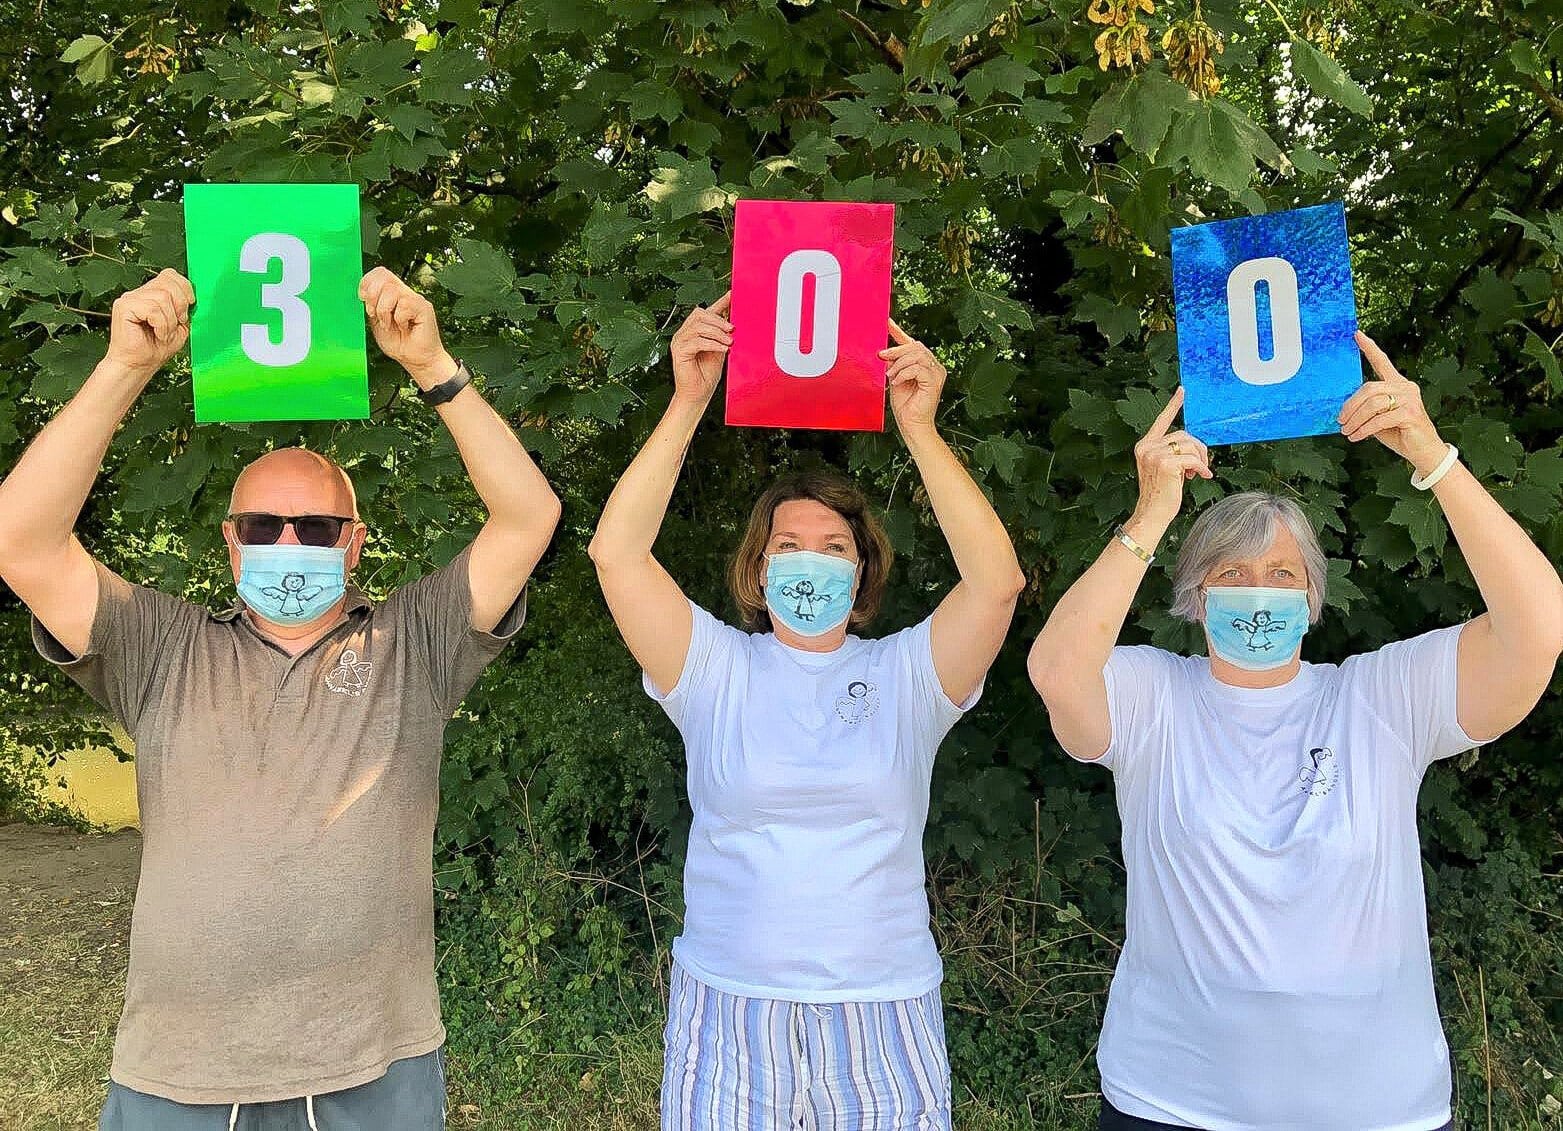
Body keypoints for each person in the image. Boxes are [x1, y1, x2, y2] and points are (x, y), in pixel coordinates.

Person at [0, 266, 561, 1130]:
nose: (288, 544)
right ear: (231, 542)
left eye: (317, 527)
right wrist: (125, 367)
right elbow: (21, 541)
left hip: (373, 1067)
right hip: (176, 1070)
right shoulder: (162, 647)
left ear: (355, 542)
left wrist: (432, 365)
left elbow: (527, 518)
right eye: (263, 526)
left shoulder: (414, 641)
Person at [1026, 334, 1563, 1131]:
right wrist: (1150, 514)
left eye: (1282, 575)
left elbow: (1535, 629)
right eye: (1229, 573)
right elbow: (1057, 671)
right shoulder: (1151, 695)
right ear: (1192, 593)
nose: (1257, 592)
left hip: (1378, 1107)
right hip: (1172, 1102)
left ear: (1313, 595)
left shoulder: (1378, 696)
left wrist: (1432, 455)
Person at [588, 293, 1025, 1129]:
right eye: (789, 545)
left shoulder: (907, 675)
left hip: (883, 1011)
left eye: (835, 548)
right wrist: (686, 402)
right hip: (727, 1011)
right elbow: (616, 553)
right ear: (756, 569)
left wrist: (921, 431)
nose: (812, 563)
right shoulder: (712, 666)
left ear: (862, 573)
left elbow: (995, 584)